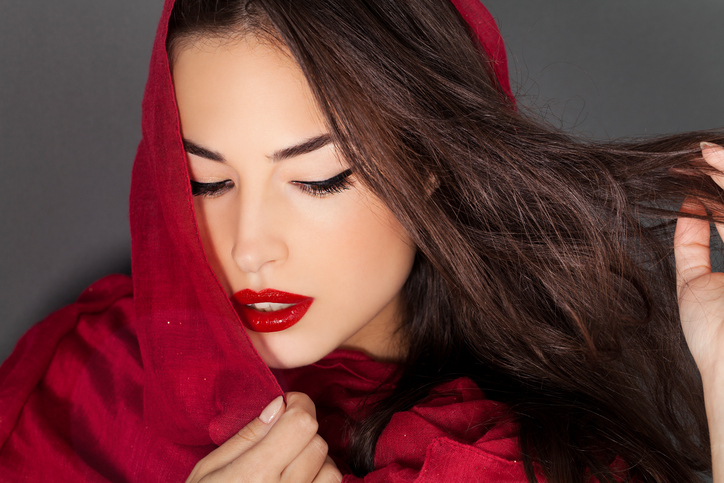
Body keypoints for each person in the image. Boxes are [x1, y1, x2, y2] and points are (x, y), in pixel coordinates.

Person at [1, 0, 723, 481]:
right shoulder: (86, 390)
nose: (250, 247)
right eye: (204, 183)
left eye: (317, 179)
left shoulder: (532, 461)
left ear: (430, 165)